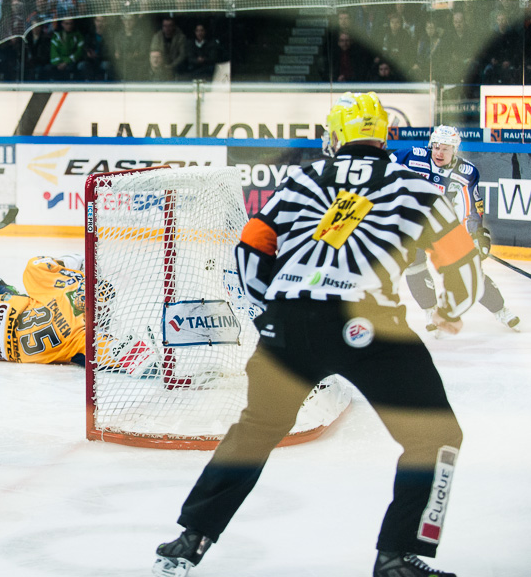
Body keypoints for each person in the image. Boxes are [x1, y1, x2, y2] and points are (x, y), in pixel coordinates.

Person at [153, 92, 482, 577]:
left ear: (336, 138)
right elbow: (462, 264)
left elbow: (251, 248)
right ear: (383, 137)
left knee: (257, 430)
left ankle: (190, 539)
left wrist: (274, 313)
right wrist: (451, 309)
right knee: (437, 436)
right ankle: (396, 557)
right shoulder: (419, 188)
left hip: (287, 323)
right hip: (370, 325)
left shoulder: (300, 180)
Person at [393, 125, 520, 331]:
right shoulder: (410, 156)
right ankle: (430, 311)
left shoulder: (467, 171)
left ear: (455, 150)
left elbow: (473, 207)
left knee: (469, 271)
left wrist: (477, 234)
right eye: (436, 147)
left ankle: (501, 310)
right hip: (411, 224)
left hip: (442, 227)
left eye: (445, 148)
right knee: (414, 263)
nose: (439, 152)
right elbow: (380, 169)